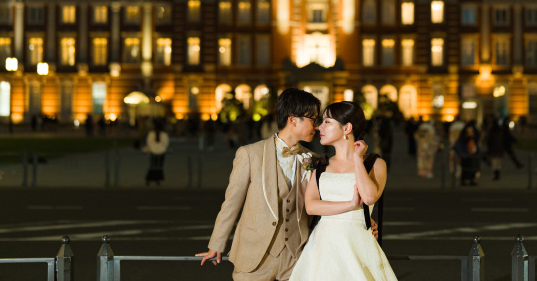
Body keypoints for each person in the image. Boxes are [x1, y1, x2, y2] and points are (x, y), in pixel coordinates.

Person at [196, 88, 322, 280]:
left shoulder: (313, 159)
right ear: (293, 119)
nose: (317, 125)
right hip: (254, 257)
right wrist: (217, 244)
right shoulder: (250, 154)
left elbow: (321, 204)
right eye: (313, 119)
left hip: (295, 258)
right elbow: (231, 203)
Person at [290, 101, 396, 281]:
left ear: (347, 128)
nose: (319, 127)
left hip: (358, 241)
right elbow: (311, 206)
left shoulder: (375, 163)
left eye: (327, 122)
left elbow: (369, 197)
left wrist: (357, 159)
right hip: (323, 245)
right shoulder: (321, 164)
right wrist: (350, 204)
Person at [143, 119, 170, 185]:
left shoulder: (151, 134)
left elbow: (148, 142)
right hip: (161, 152)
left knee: (152, 166)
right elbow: (166, 143)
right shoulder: (164, 134)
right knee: (159, 166)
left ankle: (149, 179)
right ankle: (157, 179)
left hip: (153, 152)